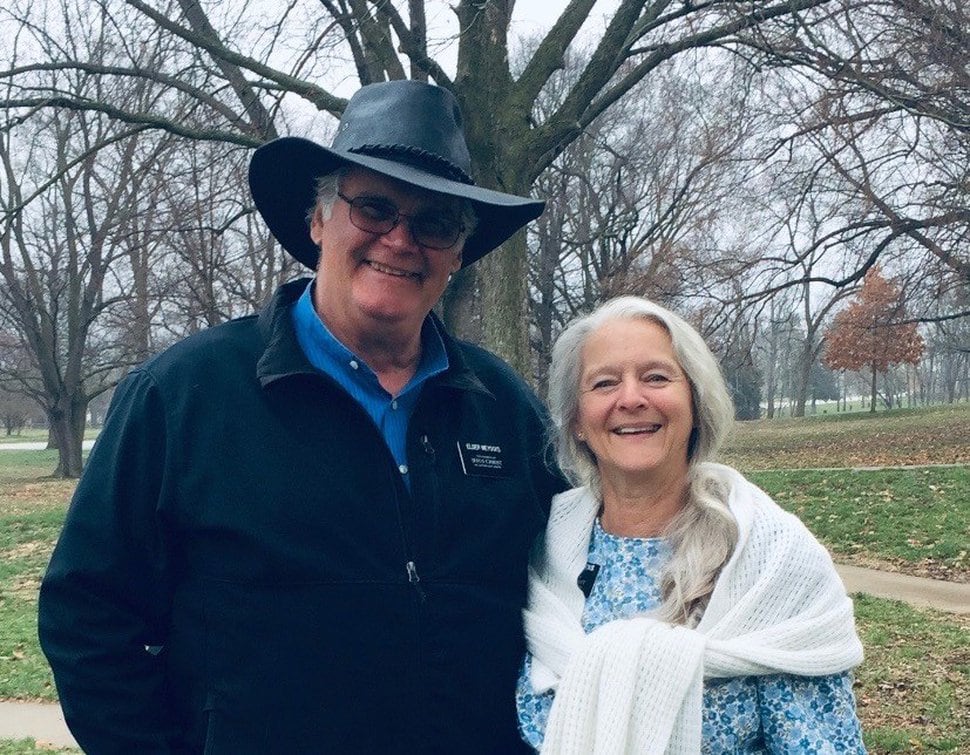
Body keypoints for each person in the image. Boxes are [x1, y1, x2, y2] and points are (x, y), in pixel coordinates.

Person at [39, 80, 565, 754]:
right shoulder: (184, 396)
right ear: (318, 219)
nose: (400, 239)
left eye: (433, 222)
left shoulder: (501, 408)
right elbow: (87, 615)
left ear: (458, 251)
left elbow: (581, 578)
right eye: (374, 208)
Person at [516, 296, 866, 754]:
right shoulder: (546, 550)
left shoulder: (770, 560)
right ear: (577, 421)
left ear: (696, 404)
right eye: (604, 383)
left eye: (656, 377)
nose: (631, 399)